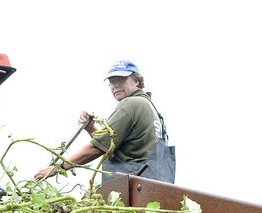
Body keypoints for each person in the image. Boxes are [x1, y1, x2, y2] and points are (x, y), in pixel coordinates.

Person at [33, 60, 175, 183]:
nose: (115, 86)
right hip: (156, 187)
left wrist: (58, 167)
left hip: (133, 186)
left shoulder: (131, 104)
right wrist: (91, 128)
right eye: (112, 82)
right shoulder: (151, 108)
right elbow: (113, 144)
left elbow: (97, 148)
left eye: (121, 80)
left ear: (137, 81)